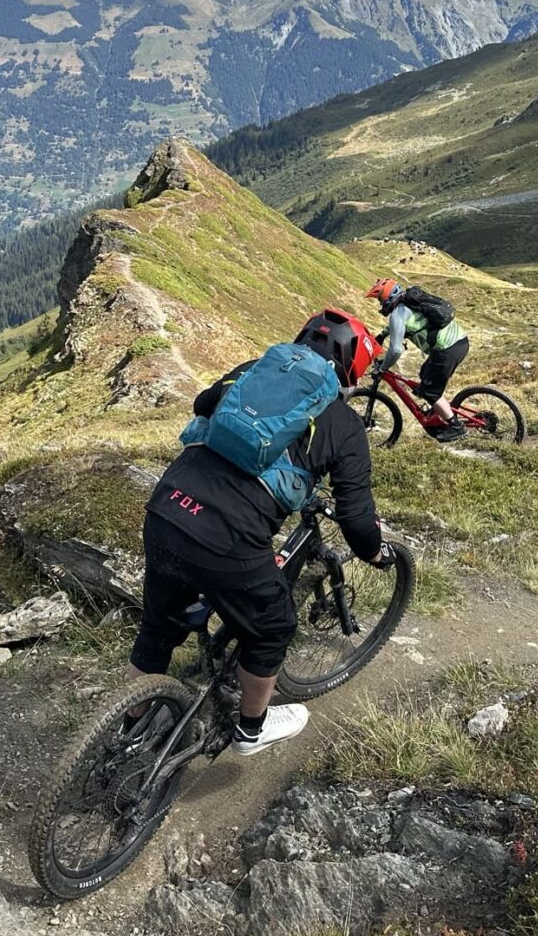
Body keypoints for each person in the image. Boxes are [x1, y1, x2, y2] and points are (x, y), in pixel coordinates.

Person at [128, 310, 392, 755]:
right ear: (352, 367)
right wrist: (377, 553)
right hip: (226, 534)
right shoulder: (345, 425)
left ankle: (127, 733)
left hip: (167, 505)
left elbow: (203, 403)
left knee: (158, 624)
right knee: (273, 626)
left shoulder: (253, 372)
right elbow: (356, 517)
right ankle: (250, 731)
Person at [365, 279, 470, 442]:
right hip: (460, 341)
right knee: (424, 374)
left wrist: (383, 368)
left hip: (447, 349)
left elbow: (396, 350)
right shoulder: (409, 303)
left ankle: (456, 426)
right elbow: (398, 327)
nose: (380, 303)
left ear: (387, 297)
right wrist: (382, 335)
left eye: (380, 299)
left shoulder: (398, 313)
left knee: (430, 392)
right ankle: (437, 410)